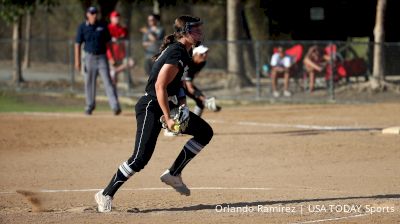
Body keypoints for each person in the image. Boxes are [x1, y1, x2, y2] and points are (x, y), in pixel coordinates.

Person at [94, 15, 213, 212]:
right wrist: (167, 117)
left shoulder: (184, 51)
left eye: (200, 29)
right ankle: (105, 193)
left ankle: (173, 174)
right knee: (140, 159)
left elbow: (178, 83)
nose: (200, 33)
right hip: (151, 105)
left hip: (167, 104)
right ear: (184, 32)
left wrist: (182, 106)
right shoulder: (176, 51)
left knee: (205, 132)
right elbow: (160, 86)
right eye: (196, 30)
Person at [75, 6, 121, 115]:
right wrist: (78, 61)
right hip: (89, 57)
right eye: (92, 13)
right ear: (87, 14)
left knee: (108, 82)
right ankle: (89, 106)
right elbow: (77, 44)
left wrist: (112, 57)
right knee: (89, 83)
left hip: (102, 57)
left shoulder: (103, 26)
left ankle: (115, 106)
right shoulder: (82, 27)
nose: (94, 15)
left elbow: (109, 43)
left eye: (95, 13)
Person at [183, 45, 221, 117]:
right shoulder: (189, 63)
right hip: (174, 85)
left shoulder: (202, 62)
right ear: (195, 54)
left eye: (206, 53)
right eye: (201, 54)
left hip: (184, 83)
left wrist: (203, 100)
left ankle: (194, 122)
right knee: (178, 106)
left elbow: (189, 81)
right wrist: (205, 100)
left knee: (200, 102)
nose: (204, 55)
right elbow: (189, 88)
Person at [106, 10, 135, 85]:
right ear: (111, 18)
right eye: (115, 17)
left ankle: (115, 71)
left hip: (122, 55)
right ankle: (113, 94)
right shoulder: (108, 28)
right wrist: (110, 58)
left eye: (118, 17)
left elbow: (125, 40)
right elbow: (106, 45)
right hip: (112, 55)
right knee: (114, 81)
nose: (117, 18)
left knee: (131, 63)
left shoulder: (123, 29)